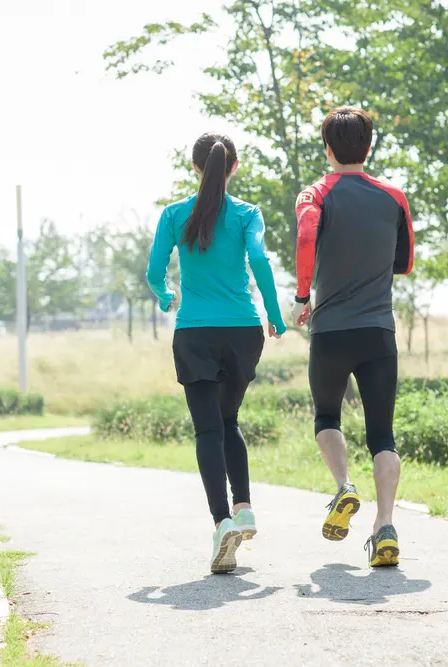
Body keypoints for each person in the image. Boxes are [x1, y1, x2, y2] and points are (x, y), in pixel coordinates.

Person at [147, 132, 287, 574]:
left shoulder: (173, 214)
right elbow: (260, 262)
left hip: (196, 333)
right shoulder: (248, 214)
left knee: (209, 430)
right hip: (244, 332)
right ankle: (243, 507)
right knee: (230, 421)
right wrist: (275, 314)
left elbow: (154, 272)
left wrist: (166, 295)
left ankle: (222, 521)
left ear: (195, 167)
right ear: (234, 166)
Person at [291, 107, 414, 568]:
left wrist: (304, 295)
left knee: (327, 417)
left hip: (330, 331)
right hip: (378, 330)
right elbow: (405, 262)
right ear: (369, 146)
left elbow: (306, 236)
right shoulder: (393, 196)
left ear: (327, 148)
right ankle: (385, 526)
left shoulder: (316, 194)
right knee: (383, 434)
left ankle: (344, 487)